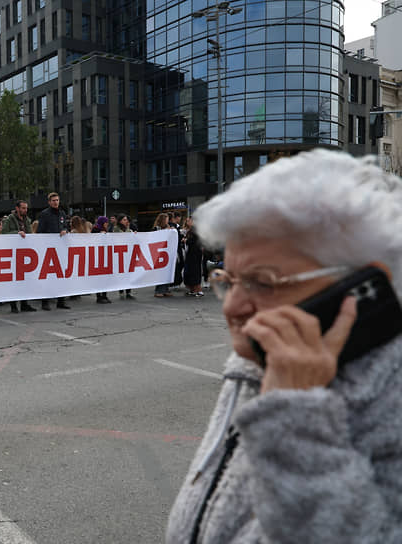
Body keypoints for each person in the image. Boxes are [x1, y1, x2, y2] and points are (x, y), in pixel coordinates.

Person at [166, 150, 402, 543]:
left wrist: (297, 423)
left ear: (360, 289)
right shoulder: (266, 353)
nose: (233, 306)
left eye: (263, 282)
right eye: (228, 278)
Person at [2, 200, 37, 313]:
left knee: (25, 280)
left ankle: (24, 303)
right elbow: (3, 233)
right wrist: (16, 233)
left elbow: (30, 234)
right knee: (14, 280)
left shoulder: (27, 220)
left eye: (26, 208)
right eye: (23, 208)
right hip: (13, 253)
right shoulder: (9, 220)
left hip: (25, 253)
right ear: (17, 208)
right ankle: (13, 304)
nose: (25, 210)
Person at [37, 192, 70, 311]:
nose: (56, 202)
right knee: (47, 276)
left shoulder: (62, 213)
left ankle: (61, 301)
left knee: (61, 275)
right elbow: (40, 232)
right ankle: (44, 302)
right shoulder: (44, 214)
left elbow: (66, 226)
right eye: (53, 200)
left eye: (57, 200)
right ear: (49, 202)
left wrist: (65, 230)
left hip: (60, 249)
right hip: (48, 250)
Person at [153, 213, 174, 298]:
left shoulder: (169, 227)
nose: (167, 221)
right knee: (160, 272)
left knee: (167, 271)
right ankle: (158, 290)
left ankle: (165, 289)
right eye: (166, 219)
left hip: (167, 253)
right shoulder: (156, 229)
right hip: (158, 253)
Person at [182, 216, 204, 297]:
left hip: (195, 253)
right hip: (190, 253)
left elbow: (196, 241)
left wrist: (186, 240)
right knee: (190, 271)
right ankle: (192, 289)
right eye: (187, 221)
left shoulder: (196, 230)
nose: (187, 222)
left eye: (189, 221)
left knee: (195, 271)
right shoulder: (190, 230)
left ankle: (199, 290)